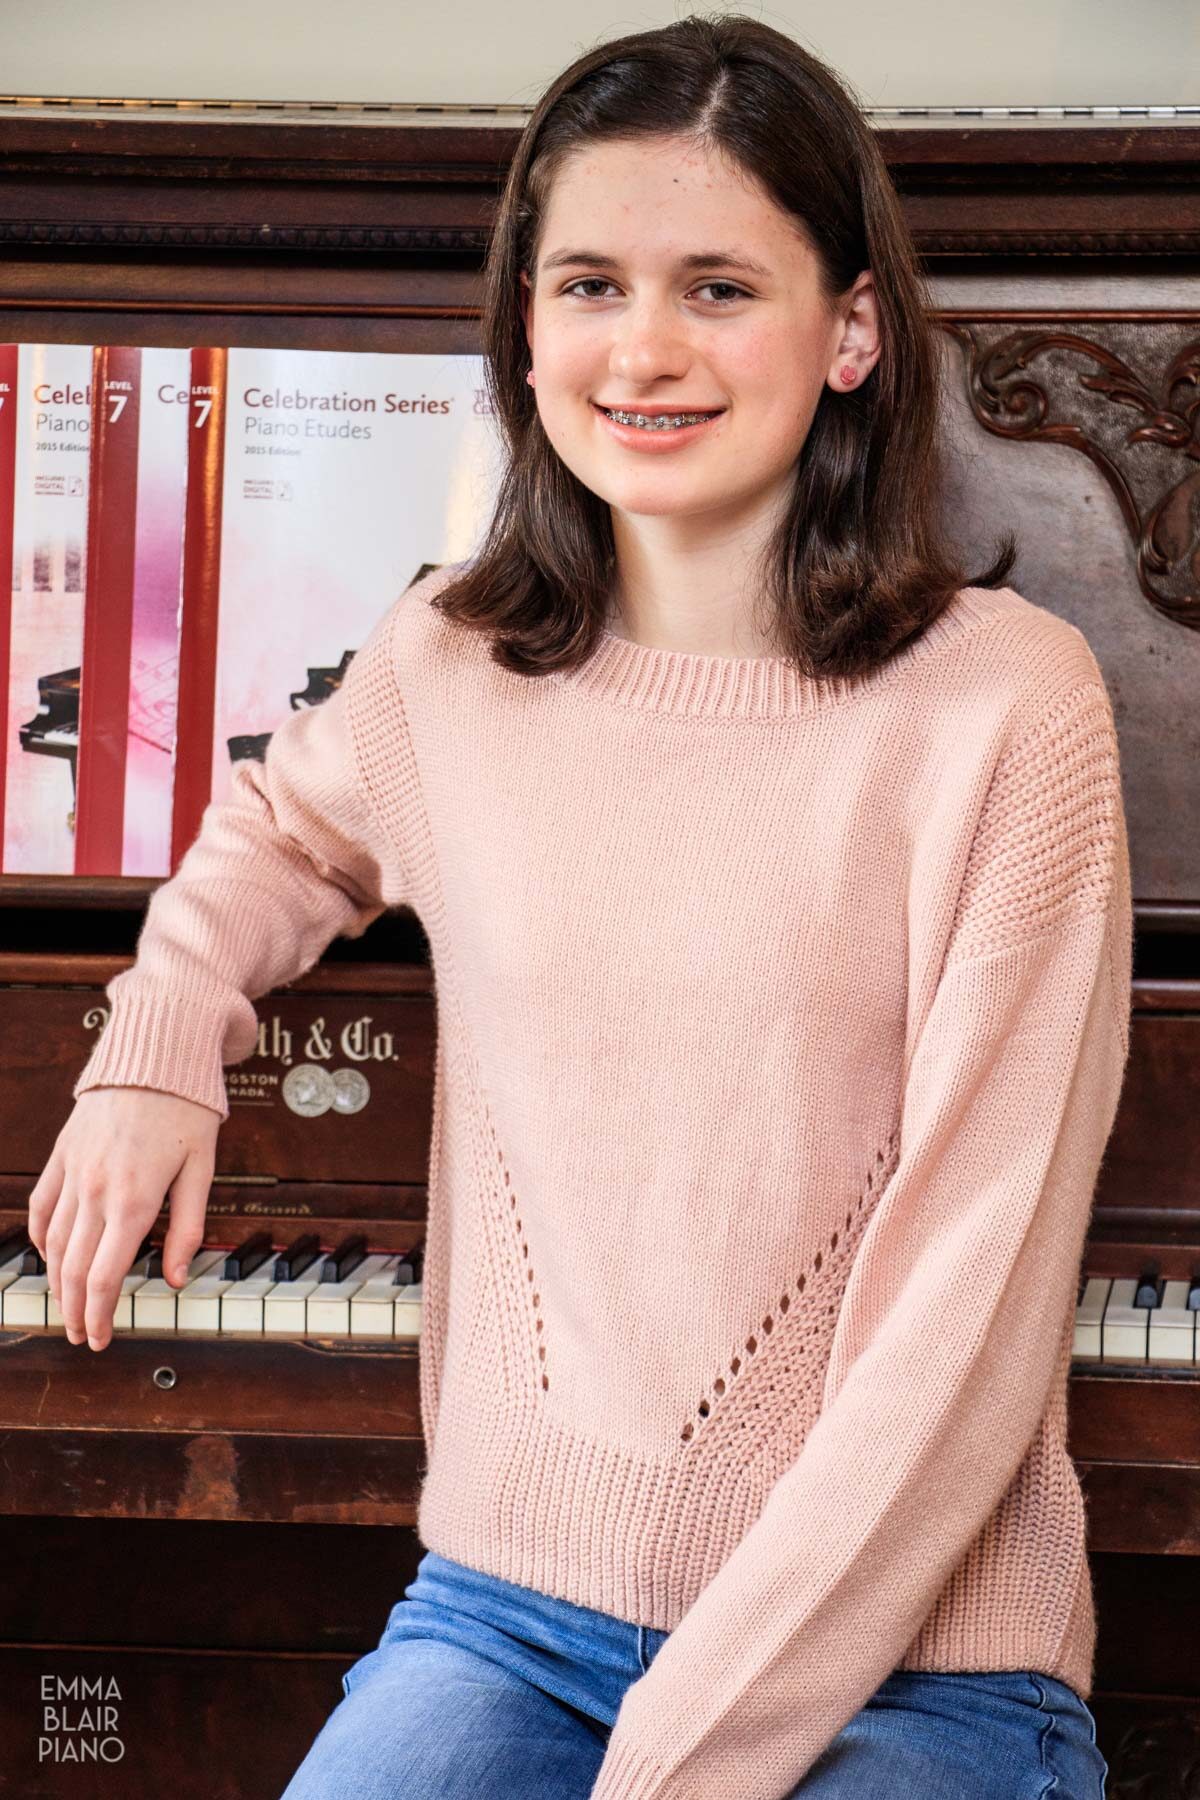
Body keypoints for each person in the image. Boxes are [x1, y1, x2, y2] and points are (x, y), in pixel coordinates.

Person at [29, 14, 1128, 1799]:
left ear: (851, 329)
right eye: (591, 284)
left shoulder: (1009, 706)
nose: (644, 347)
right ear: (525, 328)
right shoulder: (449, 660)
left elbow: (968, 1325)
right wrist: (154, 1051)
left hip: (912, 1653)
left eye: (718, 288)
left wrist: (679, 1762)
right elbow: (277, 837)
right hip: (515, 1611)